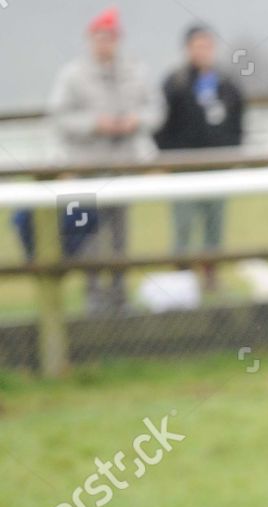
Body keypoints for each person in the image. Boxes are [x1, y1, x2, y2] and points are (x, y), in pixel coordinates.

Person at [46, 6, 164, 315]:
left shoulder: (135, 71)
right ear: (90, 39)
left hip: (124, 166)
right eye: (100, 38)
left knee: (120, 235)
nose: (105, 43)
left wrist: (135, 121)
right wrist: (94, 124)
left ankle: (120, 293)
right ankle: (94, 295)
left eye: (110, 38)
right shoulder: (72, 75)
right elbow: (59, 118)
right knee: (90, 236)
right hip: (88, 168)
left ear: (117, 39)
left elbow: (156, 109)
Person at [155, 24, 245, 293]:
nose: (203, 51)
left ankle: (210, 279)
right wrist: (167, 159)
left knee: (214, 227)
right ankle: (182, 282)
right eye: (197, 46)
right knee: (183, 225)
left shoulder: (226, 85)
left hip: (217, 166)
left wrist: (231, 153)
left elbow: (238, 122)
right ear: (187, 49)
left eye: (207, 46)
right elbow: (161, 126)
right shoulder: (175, 84)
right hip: (183, 167)